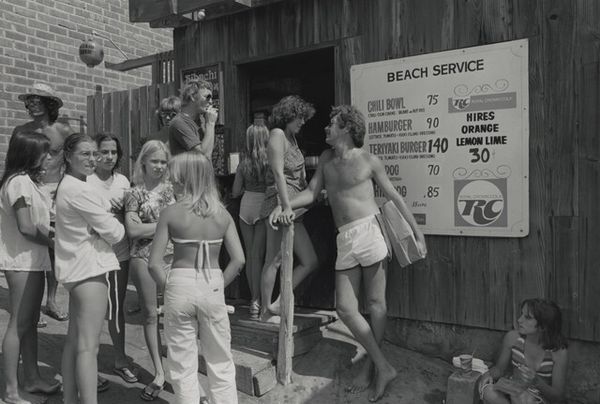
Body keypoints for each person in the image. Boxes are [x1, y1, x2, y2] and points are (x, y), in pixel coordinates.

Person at [269, 105, 426, 402]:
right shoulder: (326, 159)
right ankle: (383, 366)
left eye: (332, 123)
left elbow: (394, 195)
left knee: (376, 304)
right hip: (345, 238)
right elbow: (311, 194)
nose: (326, 127)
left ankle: (370, 368)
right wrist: (284, 205)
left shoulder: (369, 160)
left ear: (347, 129)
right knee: (345, 308)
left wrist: (417, 234)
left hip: (370, 232)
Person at [149, 151, 244, 404]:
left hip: (179, 284)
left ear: (186, 180)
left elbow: (154, 264)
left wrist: (169, 287)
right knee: (220, 360)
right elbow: (238, 260)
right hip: (212, 283)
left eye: (175, 179)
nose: (172, 183)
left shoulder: (170, 213)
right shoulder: (222, 214)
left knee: (182, 364)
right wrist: (218, 286)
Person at [55, 133, 125, 404]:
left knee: (75, 341)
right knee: (88, 348)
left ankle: (69, 399)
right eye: (85, 154)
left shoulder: (69, 184)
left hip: (77, 270)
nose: (93, 159)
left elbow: (103, 227)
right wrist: (108, 222)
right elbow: (116, 232)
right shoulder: (80, 190)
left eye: (94, 153)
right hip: (89, 271)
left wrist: (101, 224)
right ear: (68, 156)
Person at [0, 131, 61, 404]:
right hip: (22, 262)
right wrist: (52, 241)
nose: (48, 157)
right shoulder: (19, 182)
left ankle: (33, 378)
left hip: (33, 261)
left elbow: (36, 222)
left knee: (30, 323)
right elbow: (26, 227)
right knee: (19, 324)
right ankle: (11, 391)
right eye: (44, 152)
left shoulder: (29, 182)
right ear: (29, 153)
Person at [13, 82, 73, 326]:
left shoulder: (63, 130)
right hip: (29, 190)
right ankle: (30, 305)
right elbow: (14, 162)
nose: (33, 104)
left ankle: (51, 300)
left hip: (55, 192)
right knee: (31, 243)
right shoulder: (21, 131)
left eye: (39, 100)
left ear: (50, 104)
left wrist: (67, 189)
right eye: (31, 100)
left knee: (53, 247)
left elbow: (72, 160)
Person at [258, 95, 319, 323]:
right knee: (273, 260)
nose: (303, 122)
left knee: (310, 260)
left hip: (294, 207)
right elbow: (277, 173)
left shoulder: (292, 137)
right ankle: (265, 312)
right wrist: (284, 206)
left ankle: (277, 302)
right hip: (279, 202)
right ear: (288, 115)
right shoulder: (277, 134)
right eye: (300, 117)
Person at [124, 140, 174, 401]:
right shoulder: (134, 193)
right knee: (151, 315)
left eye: (163, 161)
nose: (159, 166)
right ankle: (159, 371)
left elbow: (185, 222)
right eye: (154, 161)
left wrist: (152, 227)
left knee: (179, 314)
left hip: (174, 257)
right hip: (142, 257)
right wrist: (166, 224)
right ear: (143, 161)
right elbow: (133, 231)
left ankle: (180, 368)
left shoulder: (173, 190)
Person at [87, 133, 137, 384]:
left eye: (113, 152)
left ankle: (120, 360)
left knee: (116, 308)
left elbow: (131, 216)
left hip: (120, 253)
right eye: (104, 151)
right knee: (92, 311)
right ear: (94, 154)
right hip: (92, 254)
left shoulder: (123, 181)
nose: (109, 157)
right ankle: (89, 366)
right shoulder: (85, 181)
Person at [479, 299, 568, 404]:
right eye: (521, 314)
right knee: (488, 391)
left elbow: (558, 397)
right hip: (513, 391)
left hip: (538, 399)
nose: (519, 320)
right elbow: (499, 369)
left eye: (528, 317)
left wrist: (536, 381)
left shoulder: (558, 352)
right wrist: (487, 375)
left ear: (543, 326)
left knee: (524, 398)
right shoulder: (513, 338)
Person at [232, 124, 270, 318]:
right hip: (263, 206)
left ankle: (253, 300)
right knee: (259, 256)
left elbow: (235, 192)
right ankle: (259, 299)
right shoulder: (270, 161)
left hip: (246, 206)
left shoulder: (243, 164)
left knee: (250, 256)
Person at [168, 80, 218, 157]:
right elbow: (203, 156)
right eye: (207, 97)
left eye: (211, 98)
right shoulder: (179, 122)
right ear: (193, 97)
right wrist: (210, 124)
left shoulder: (202, 120)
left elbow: (210, 150)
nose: (211, 101)